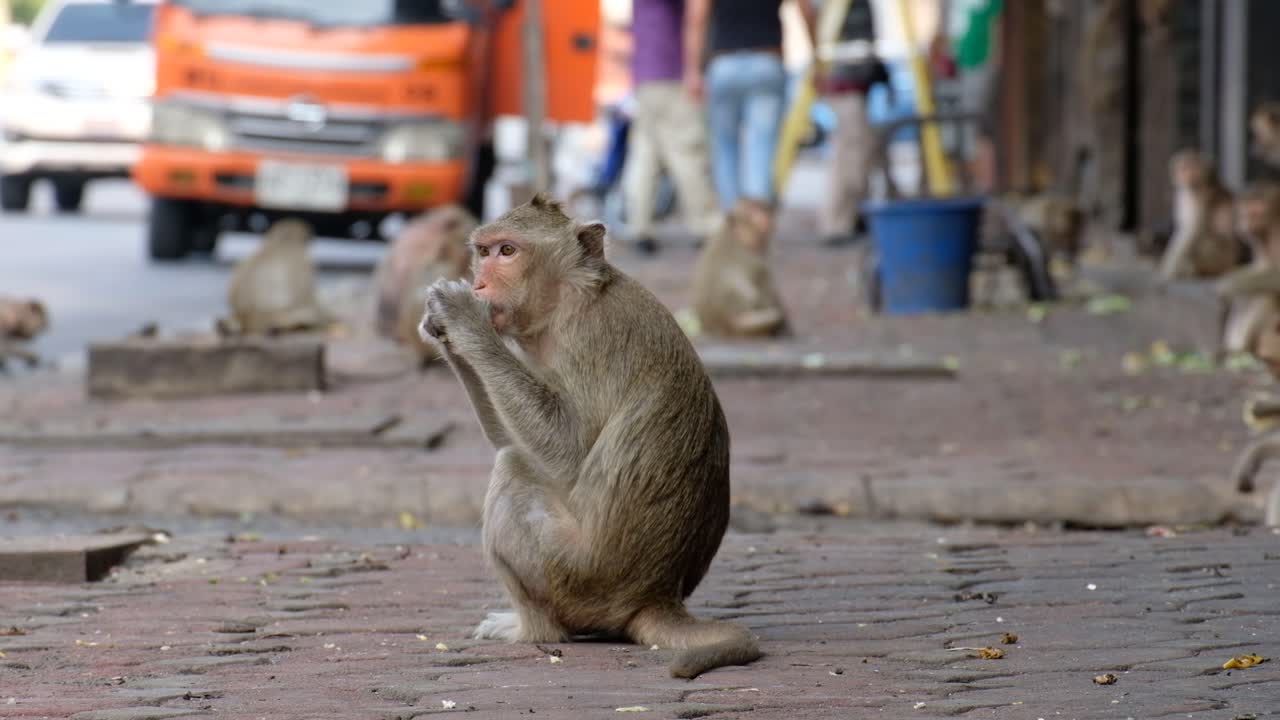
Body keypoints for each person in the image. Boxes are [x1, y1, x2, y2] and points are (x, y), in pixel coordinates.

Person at [684, 0, 815, 234]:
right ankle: (757, 222)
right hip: (767, 61)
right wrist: (816, 54)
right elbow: (806, 9)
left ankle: (733, 223)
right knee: (761, 147)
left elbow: (697, 18)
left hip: (723, 64)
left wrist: (693, 70)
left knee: (725, 148)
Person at [623, 0, 722, 255]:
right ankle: (705, 226)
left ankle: (640, 227)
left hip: (645, 76)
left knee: (644, 156)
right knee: (687, 153)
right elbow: (696, 16)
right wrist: (695, 70)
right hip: (673, 73)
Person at [814, 0, 891, 248]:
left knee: (864, 148)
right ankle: (837, 221)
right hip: (844, 83)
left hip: (856, 82)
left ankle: (854, 214)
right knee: (850, 152)